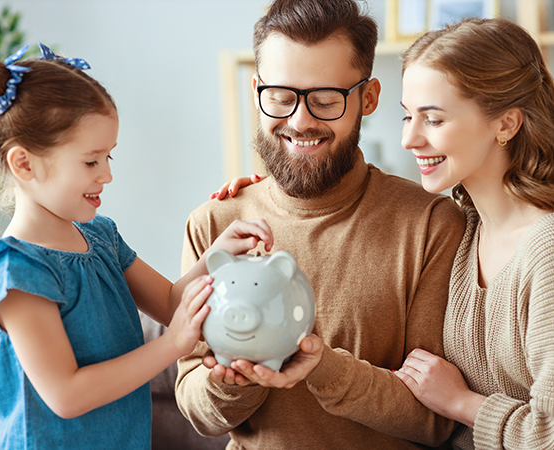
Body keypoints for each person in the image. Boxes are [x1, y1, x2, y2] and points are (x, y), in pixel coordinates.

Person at [175, 0, 466, 448]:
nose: (300, 120)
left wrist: (323, 366)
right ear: (256, 92)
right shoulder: (216, 223)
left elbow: (436, 420)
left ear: (367, 99)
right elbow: (198, 409)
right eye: (280, 97)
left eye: (326, 100)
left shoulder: (431, 226)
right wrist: (241, 374)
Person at [0, 43, 273, 450]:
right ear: (24, 164)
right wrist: (172, 345)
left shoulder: (102, 236)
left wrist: (218, 256)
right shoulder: (19, 271)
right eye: (91, 161)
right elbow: (66, 395)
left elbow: (168, 302)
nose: (107, 175)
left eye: (110, 157)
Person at [391, 17, 554, 449]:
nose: (409, 138)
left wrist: (460, 403)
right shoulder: (462, 227)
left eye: (433, 119)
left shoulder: (547, 251)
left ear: (506, 124)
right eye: (407, 116)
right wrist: (265, 193)